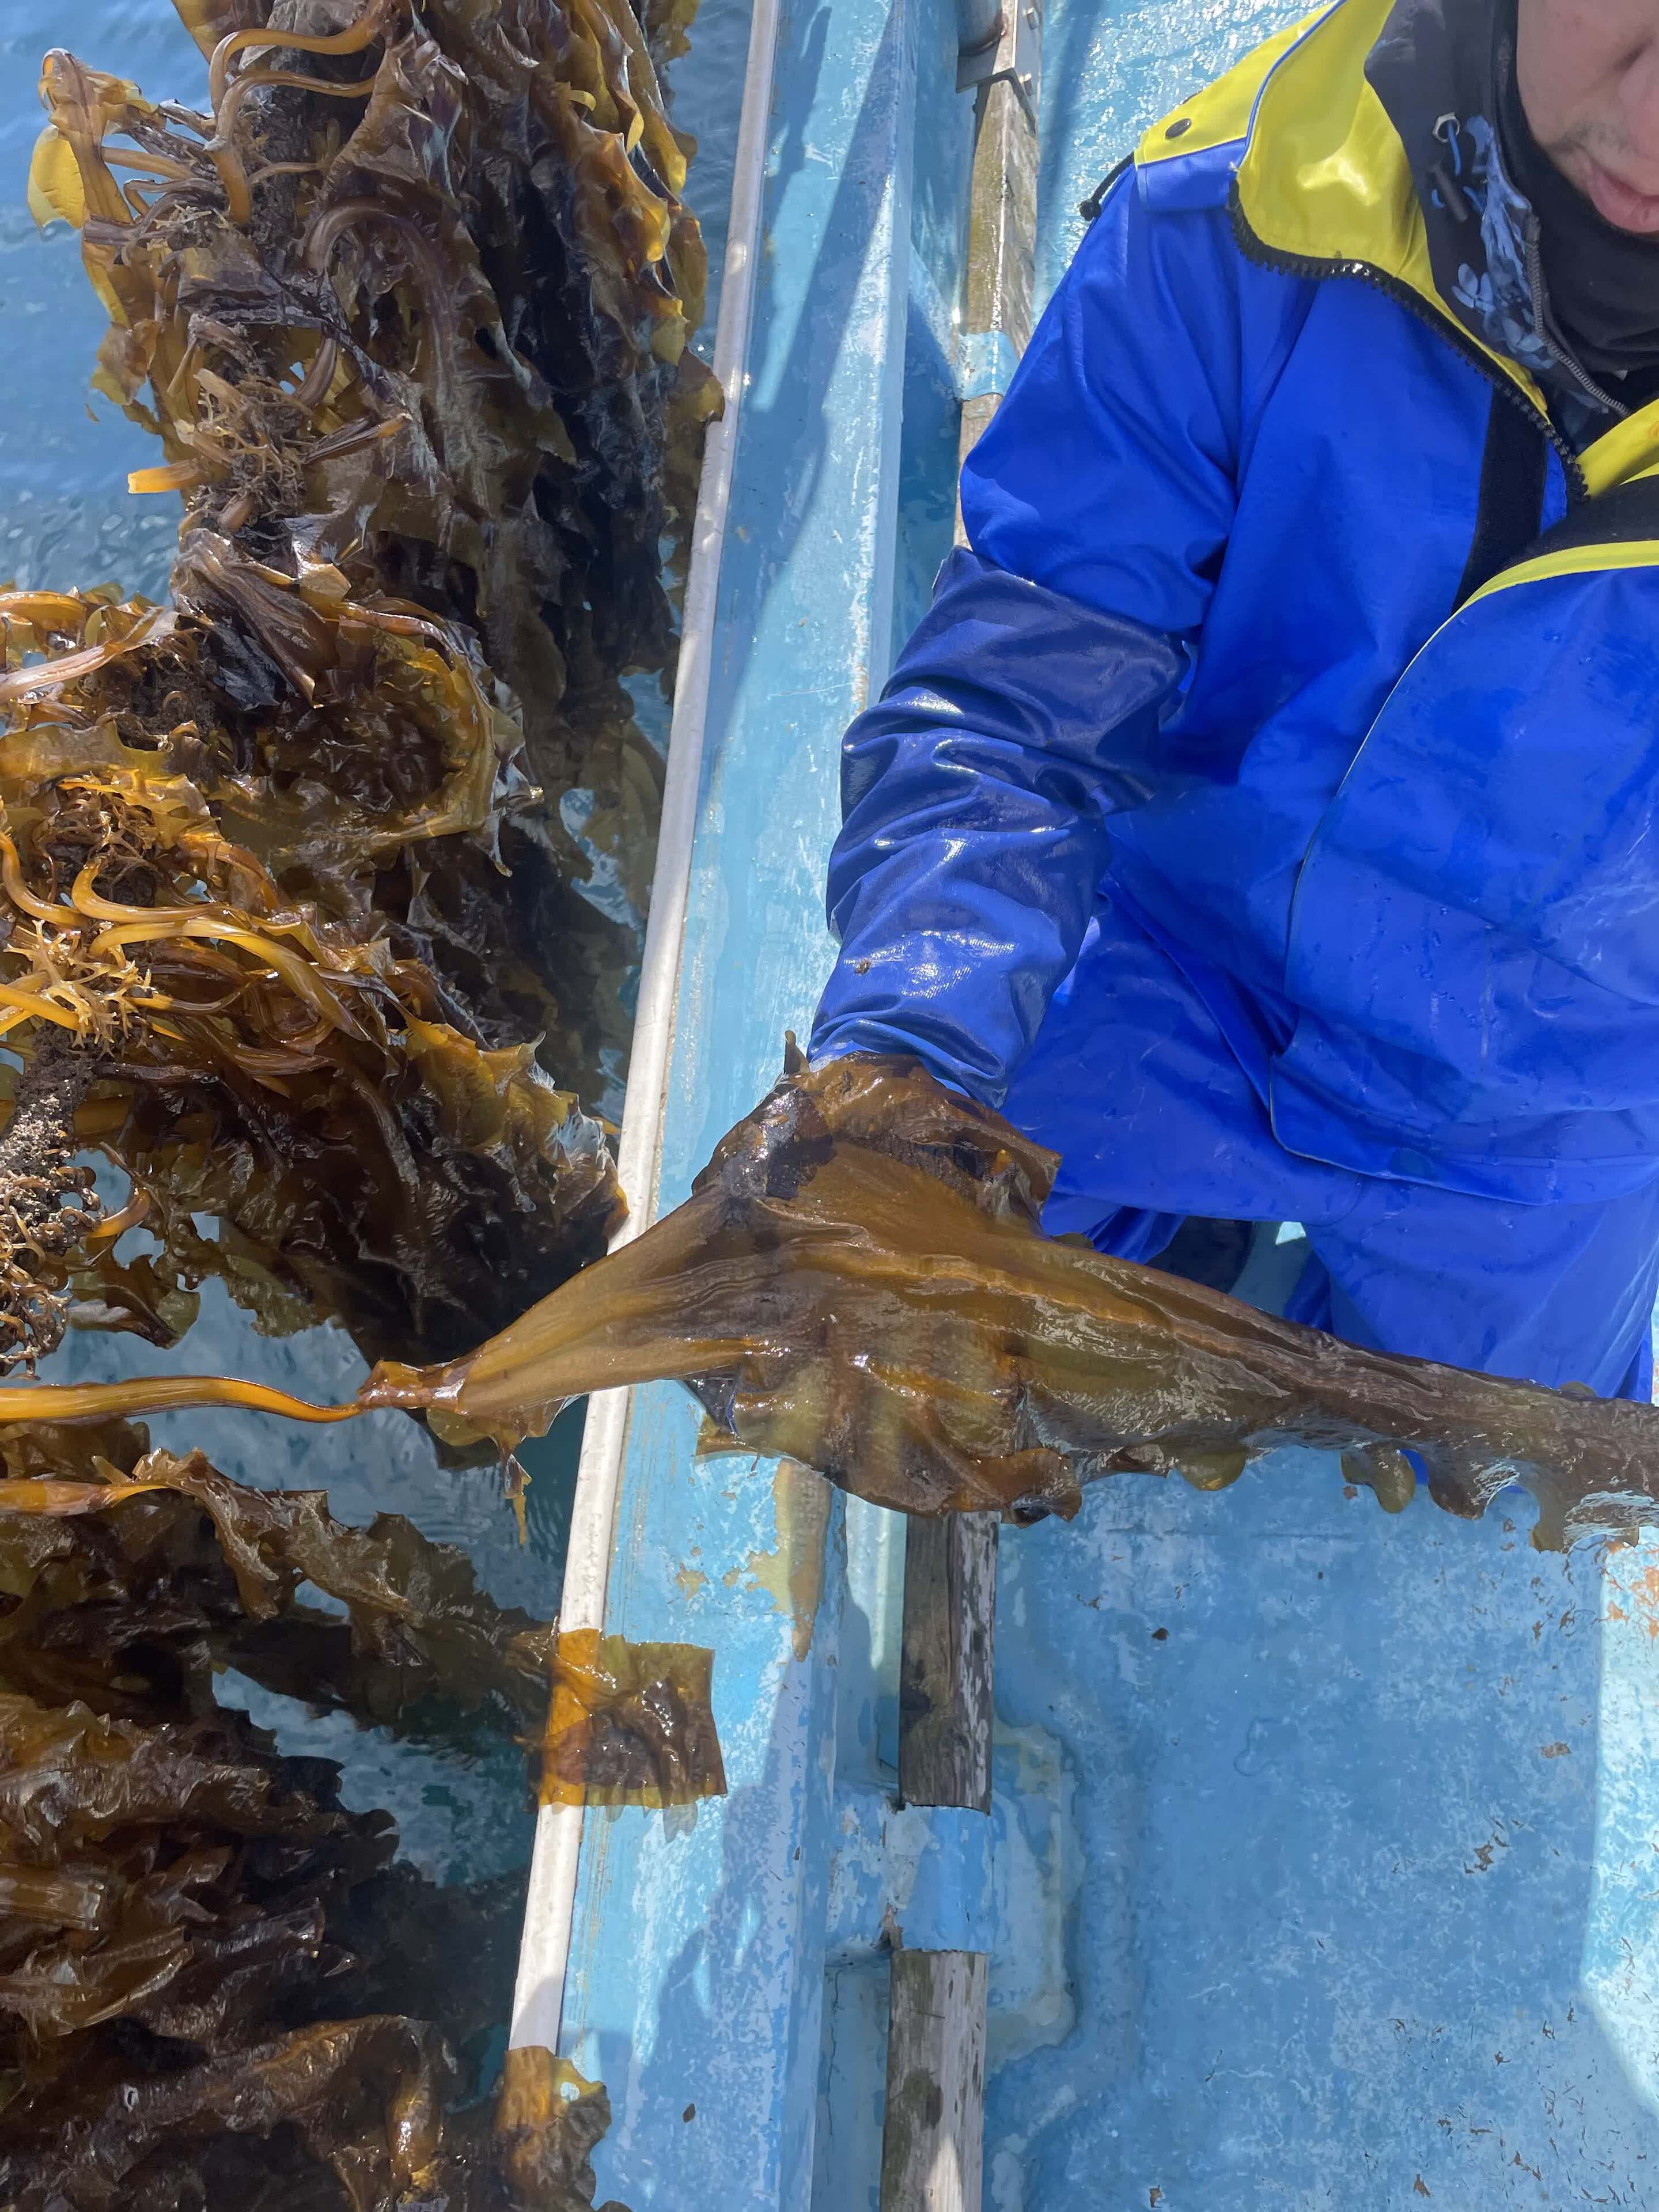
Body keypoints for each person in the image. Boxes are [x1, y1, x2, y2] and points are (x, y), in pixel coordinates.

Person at [806, 0, 1659, 1401]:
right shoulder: (1235, 217)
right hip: (1181, 959)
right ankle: (1175, 1227)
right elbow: (1022, 694)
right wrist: (913, 1049)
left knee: (1508, 1497)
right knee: (894, 1321)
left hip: (1551, 1090)